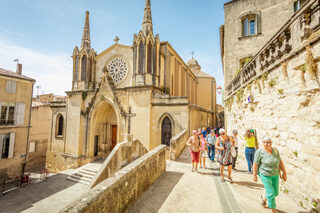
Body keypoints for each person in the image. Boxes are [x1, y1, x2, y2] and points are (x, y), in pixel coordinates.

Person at [253, 137, 287, 213]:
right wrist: (254, 175)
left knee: (276, 192)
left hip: (275, 174)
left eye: (270, 142)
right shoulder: (259, 152)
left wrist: (284, 172)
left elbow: (280, 162)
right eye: (267, 142)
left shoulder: (275, 150)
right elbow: (255, 164)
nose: (269, 144)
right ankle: (273, 210)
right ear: (263, 143)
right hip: (265, 174)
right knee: (271, 193)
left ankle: (264, 198)